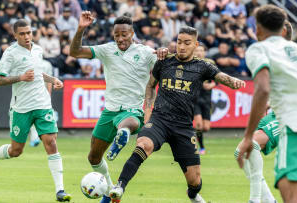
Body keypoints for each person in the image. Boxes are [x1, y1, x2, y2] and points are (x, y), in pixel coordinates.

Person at [109, 26, 245, 203]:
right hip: (160, 120)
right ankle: (119, 186)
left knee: (195, 181)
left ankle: (193, 195)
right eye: (179, 42)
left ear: (195, 45)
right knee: (143, 144)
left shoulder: (202, 66)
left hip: (183, 126)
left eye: (187, 43)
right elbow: (150, 85)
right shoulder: (164, 61)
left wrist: (232, 81)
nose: (181, 46)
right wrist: (148, 111)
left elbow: (220, 76)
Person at [69, 12, 168, 203]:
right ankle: (109, 190)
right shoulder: (107, 50)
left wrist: (163, 52)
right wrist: (81, 28)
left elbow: (166, 64)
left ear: (132, 33)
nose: (120, 39)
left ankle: (122, 133)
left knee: (128, 123)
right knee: (93, 158)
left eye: (124, 34)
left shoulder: (146, 52)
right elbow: (75, 52)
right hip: (109, 111)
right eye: (117, 35)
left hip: (133, 109)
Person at [236, 5, 297, 203]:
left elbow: (262, 89)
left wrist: (247, 136)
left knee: (294, 198)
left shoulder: (259, 49)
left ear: (258, 29)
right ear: (284, 29)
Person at [0, 19, 71, 202]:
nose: (27, 36)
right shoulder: (10, 53)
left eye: (28, 32)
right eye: (22, 33)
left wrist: (53, 80)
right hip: (21, 107)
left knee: (51, 143)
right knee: (16, 150)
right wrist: (20, 77)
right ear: (15, 35)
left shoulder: (37, 50)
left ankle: (60, 190)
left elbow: (37, 73)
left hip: (42, 104)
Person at [193, 44, 216, 155]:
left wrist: (213, 84)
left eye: (201, 50)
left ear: (204, 52)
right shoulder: (191, 63)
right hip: (195, 98)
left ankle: (192, 136)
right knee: (198, 125)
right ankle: (201, 147)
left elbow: (218, 77)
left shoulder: (210, 63)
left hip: (207, 98)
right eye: (197, 50)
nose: (199, 53)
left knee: (206, 127)